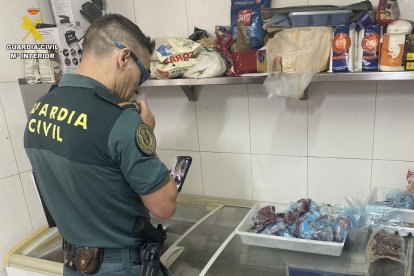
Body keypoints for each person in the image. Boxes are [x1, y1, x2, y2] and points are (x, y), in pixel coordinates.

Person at [24, 14, 177, 276]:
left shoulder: (41, 108)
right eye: (143, 75)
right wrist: (145, 133)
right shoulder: (120, 119)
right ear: (124, 57)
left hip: (74, 264)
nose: (138, 88)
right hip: (121, 265)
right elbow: (164, 206)